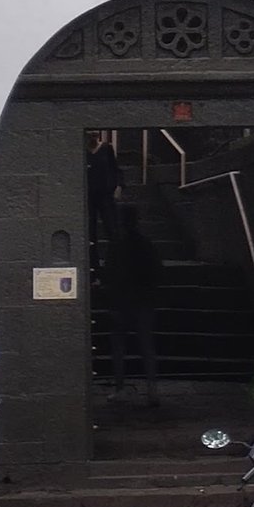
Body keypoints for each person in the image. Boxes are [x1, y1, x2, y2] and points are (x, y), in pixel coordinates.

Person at [104, 204, 162, 406]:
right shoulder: (145, 244)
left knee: (119, 347)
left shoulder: (116, 245)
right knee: (146, 346)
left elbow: (110, 275)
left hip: (121, 302)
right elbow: (156, 272)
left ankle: (120, 388)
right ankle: (152, 389)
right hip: (143, 302)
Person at [86, 131, 120, 273]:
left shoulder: (106, 149)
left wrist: (118, 186)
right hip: (88, 195)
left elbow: (114, 169)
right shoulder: (83, 152)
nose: (93, 138)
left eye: (95, 135)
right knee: (90, 232)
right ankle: (94, 266)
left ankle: (115, 263)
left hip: (105, 193)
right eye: (90, 136)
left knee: (111, 228)